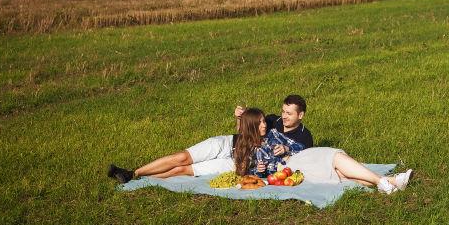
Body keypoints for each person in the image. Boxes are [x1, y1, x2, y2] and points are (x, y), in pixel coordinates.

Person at [106, 94, 312, 183]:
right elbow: (247, 129)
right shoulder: (272, 121)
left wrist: (285, 151)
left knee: (183, 170)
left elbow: (302, 158)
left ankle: (138, 178)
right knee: (181, 158)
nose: (283, 117)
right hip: (227, 145)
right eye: (283, 111)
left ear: (300, 116)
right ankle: (133, 172)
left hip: (235, 163)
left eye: (289, 114)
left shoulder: (305, 137)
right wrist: (239, 118)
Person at [234, 109, 413, 195]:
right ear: (251, 126)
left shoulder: (273, 133)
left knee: (335, 160)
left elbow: (299, 146)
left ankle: (388, 182)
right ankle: (389, 181)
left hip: (300, 157)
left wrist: (287, 148)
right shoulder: (248, 149)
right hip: (291, 168)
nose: (264, 125)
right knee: (339, 172)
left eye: (264, 121)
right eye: (259, 123)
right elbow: (247, 175)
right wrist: (259, 170)